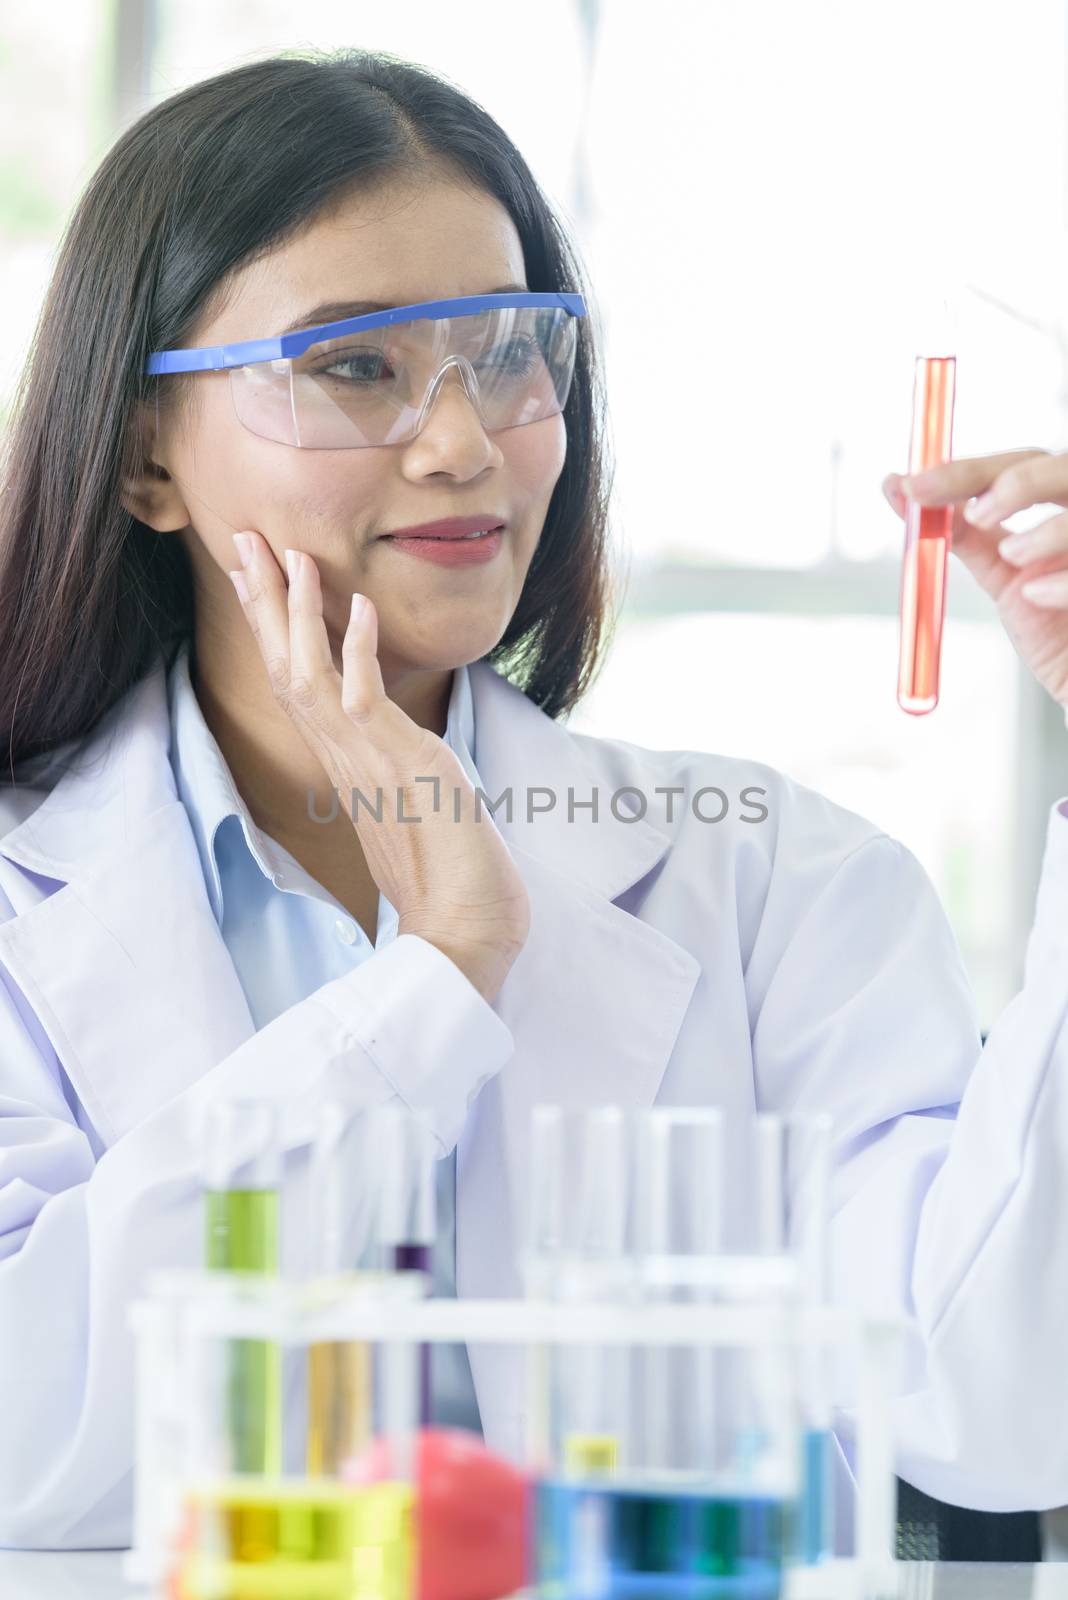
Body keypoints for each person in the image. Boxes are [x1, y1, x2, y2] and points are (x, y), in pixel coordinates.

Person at [1, 46, 1067, 1553]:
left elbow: (1000, 1401)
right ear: (141, 457)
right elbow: (30, 1439)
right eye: (354, 363)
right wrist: (439, 973)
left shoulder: (775, 886)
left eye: (510, 352)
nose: (465, 442)